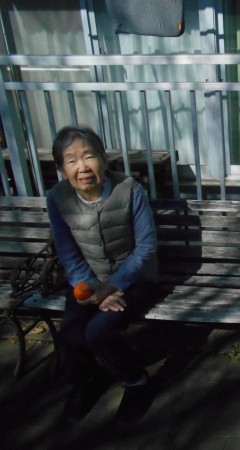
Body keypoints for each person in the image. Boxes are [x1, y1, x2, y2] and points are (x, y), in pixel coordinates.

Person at [47, 126, 160, 423]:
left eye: (89, 156)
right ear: (61, 168)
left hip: (136, 280)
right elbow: (68, 252)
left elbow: (146, 247)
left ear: (103, 160)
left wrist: (112, 286)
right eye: (71, 160)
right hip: (88, 280)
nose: (82, 167)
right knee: (71, 337)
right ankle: (87, 380)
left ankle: (137, 381)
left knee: (99, 331)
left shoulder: (130, 189)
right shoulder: (57, 198)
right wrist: (92, 289)